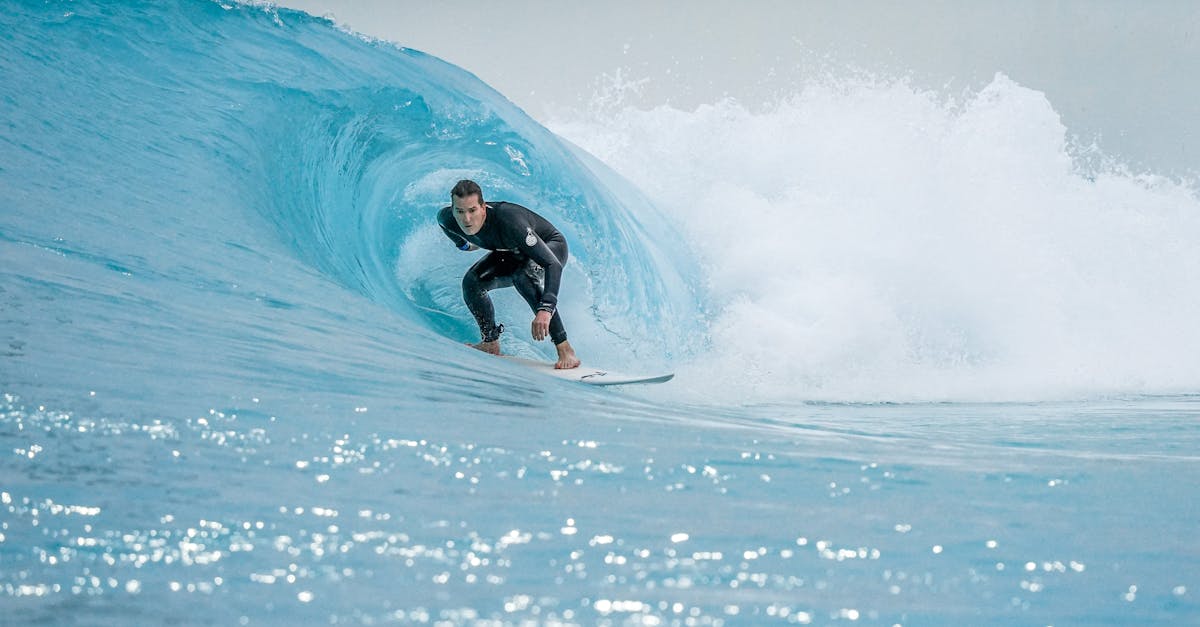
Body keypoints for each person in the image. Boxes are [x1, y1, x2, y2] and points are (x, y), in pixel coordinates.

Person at [437, 179, 581, 369]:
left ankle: (565, 349)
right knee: (472, 282)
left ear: (483, 208)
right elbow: (454, 233)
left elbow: (551, 263)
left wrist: (546, 309)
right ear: (453, 210)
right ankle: (490, 341)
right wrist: (465, 245)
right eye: (460, 211)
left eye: (472, 210)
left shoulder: (509, 221)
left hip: (550, 247)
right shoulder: (447, 219)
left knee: (523, 276)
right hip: (511, 252)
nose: (466, 219)